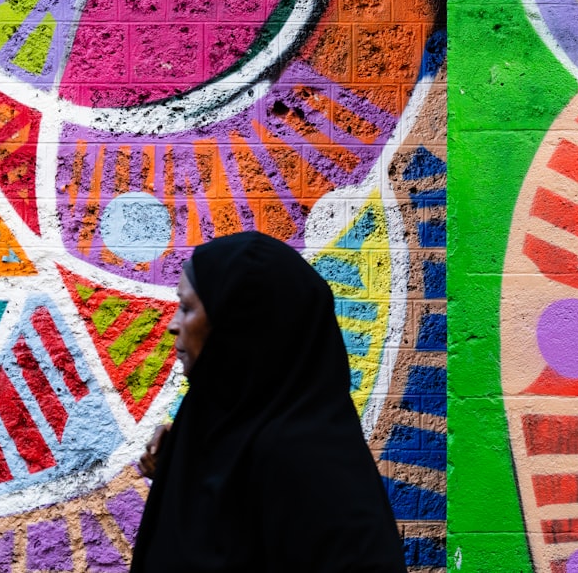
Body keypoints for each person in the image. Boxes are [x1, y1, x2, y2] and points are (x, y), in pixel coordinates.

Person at [130, 231, 407, 572]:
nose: (173, 326)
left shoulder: (311, 467)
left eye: (187, 308)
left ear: (239, 326)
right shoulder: (210, 422)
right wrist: (179, 470)